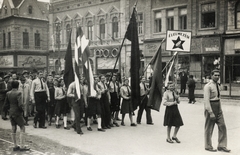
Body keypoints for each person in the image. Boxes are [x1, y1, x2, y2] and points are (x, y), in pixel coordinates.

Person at [203, 69, 230, 152]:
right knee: (209, 128)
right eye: (215, 75)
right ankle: (208, 146)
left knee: (222, 126)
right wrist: (210, 112)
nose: (217, 77)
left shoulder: (218, 85)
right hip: (211, 106)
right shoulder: (208, 86)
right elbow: (206, 101)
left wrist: (220, 109)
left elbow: (219, 98)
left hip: (218, 107)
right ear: (211, 76)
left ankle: (222, 145)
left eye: (218, 75)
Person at [3, 80, 30, 151]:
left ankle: (15, 145)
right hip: (17, 112)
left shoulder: (8, 93)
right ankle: (22, 146)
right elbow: (20, 104)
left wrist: (9, 110)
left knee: (13, 128)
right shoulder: (18, 93)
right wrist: (22, 110)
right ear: (18, 86)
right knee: (22, 127)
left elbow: (6, 104)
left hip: (11, 112)